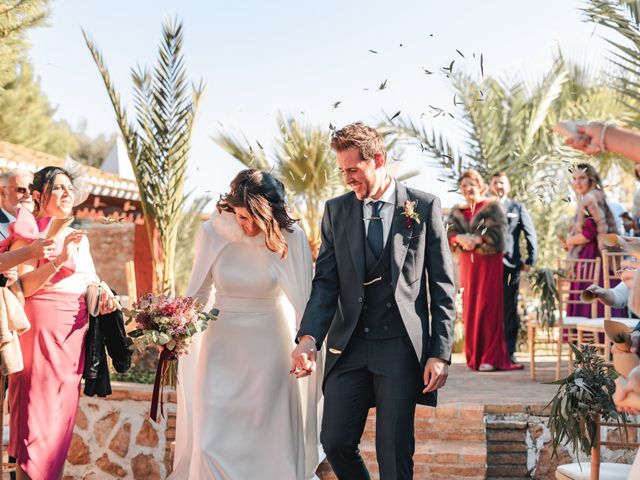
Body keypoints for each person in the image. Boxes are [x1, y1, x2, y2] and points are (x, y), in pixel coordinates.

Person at [291, 123, 455, 479]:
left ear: (378, 159)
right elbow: (326, 283)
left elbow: (442, 287)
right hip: (348, 345)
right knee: (334, 442)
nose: (347, 178)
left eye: (353, 169)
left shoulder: (424, 207)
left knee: (393, 454)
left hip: (398, 347)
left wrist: (439, 353)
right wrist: (308, 338)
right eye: (343, 171)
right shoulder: (337, 211)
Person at [170, 169, 320, 480]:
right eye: (241, 217)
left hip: (271, 348)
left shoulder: (291, 236)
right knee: (211, 440)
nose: (248, 226)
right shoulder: (212, 233)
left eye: (256, 219)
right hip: (221, 346)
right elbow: (199, 292)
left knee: (269, 440)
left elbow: (305, 300)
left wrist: (307, 345)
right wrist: (175, 326)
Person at [6, 166, 112, 480]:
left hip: (74, 332)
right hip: (41, 328)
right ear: (38, 195)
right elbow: (24, 286)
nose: (67, 195)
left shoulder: (79, 236)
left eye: (70, 189)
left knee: (61, 420)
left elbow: (89, 279)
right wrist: (57, 260)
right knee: (36, 417)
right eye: (58, 188)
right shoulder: (28, 231)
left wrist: (101, 291)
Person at [447, 169, 522, 373]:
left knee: (488, 306)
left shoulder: (493, 206)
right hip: (468, 263)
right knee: (471, 306)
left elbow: (500, 235)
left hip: (489, 261)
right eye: (463, 186)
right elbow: (449, 233)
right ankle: (474, 356)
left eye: (471, 184)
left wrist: (479, 240)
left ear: (480, 185)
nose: (467, 189)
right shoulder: (456, 210)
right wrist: (459, 239)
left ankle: (490, 357)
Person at [562, 163, 623, 318]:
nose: (577, 182)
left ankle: (594, 336)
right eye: (574, 178)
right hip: (594, 254)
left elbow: (588, 234)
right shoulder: (593, 197)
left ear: (591, 179)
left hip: (592, 256)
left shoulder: (590, 199)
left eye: (582, 178)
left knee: (592, 299)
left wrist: (569, 241)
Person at [489, 172, 537, 363]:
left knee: (509, 309)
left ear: (508, 187)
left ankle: (509, 352)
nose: (498, 186)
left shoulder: (517, 207)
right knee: (489, 308)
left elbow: (529, 232)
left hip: (511, 265)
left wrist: (530, 259)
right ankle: (490, 352)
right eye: (495, 183)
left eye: (501, 183)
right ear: (490, 186)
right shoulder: (486, 206)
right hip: (488, 266)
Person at [0, 169, 34, 241]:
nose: (28, 195)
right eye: (21, 190)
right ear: (3, 192)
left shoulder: (39, 223)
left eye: (32, 190)